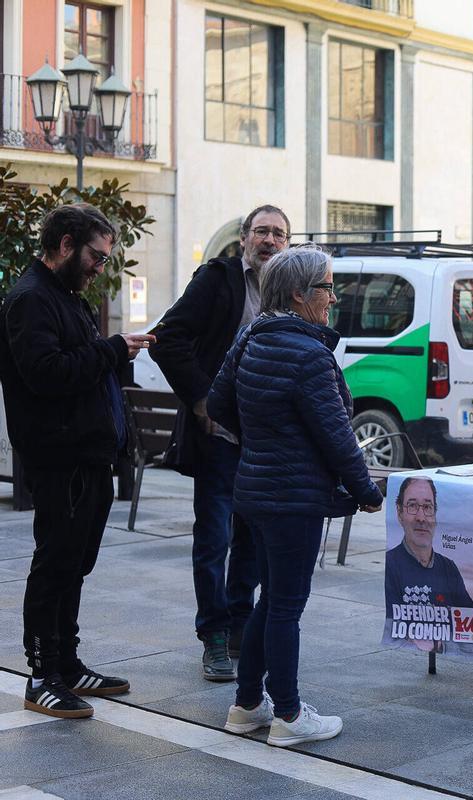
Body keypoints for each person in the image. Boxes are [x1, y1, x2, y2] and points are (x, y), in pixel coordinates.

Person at [208, 244, 383, 747]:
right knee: (287, 606)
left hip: (256, 491)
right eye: (328, 287)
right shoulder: (308, 353)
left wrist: (265, 438)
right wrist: (366, 491)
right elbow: (336, 435)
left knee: (271, 599)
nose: (333, 297)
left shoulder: (250, 337)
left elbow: (219, 403)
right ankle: (286, 713)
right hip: (294, 499)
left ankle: (246, 706)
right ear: (299, 294)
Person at [0, 204, 155, 717]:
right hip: (59, 458)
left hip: (88, 457)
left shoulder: (66, 298)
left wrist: (113, 354)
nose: (100, 266)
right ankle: (41, 675)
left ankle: (67, 665)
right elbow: (45, 373)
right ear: (65, 243)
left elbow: (81, 369)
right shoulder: (30, 300)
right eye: (95, 255)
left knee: (75, 564)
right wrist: (112, 350)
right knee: (55, 563)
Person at [150, 205, 289, 681]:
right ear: (245, 238)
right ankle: (212, 634)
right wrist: (202, 399)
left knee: (253, 537)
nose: (270, 240)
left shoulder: (291, 290)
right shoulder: (217, 279)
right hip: (220, 437)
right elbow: (166, 338)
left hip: (267, 440)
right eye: (262, 231)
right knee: (214, 538)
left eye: (279, 233)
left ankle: (238, 625)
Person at [384, 477, 473, 656]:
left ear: (435, 514)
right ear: (399, 513)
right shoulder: (392, 565)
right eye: (412, 506)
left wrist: (440, 644)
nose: (421, 518)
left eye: (427, 507)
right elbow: (394, 632)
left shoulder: (448, 568)